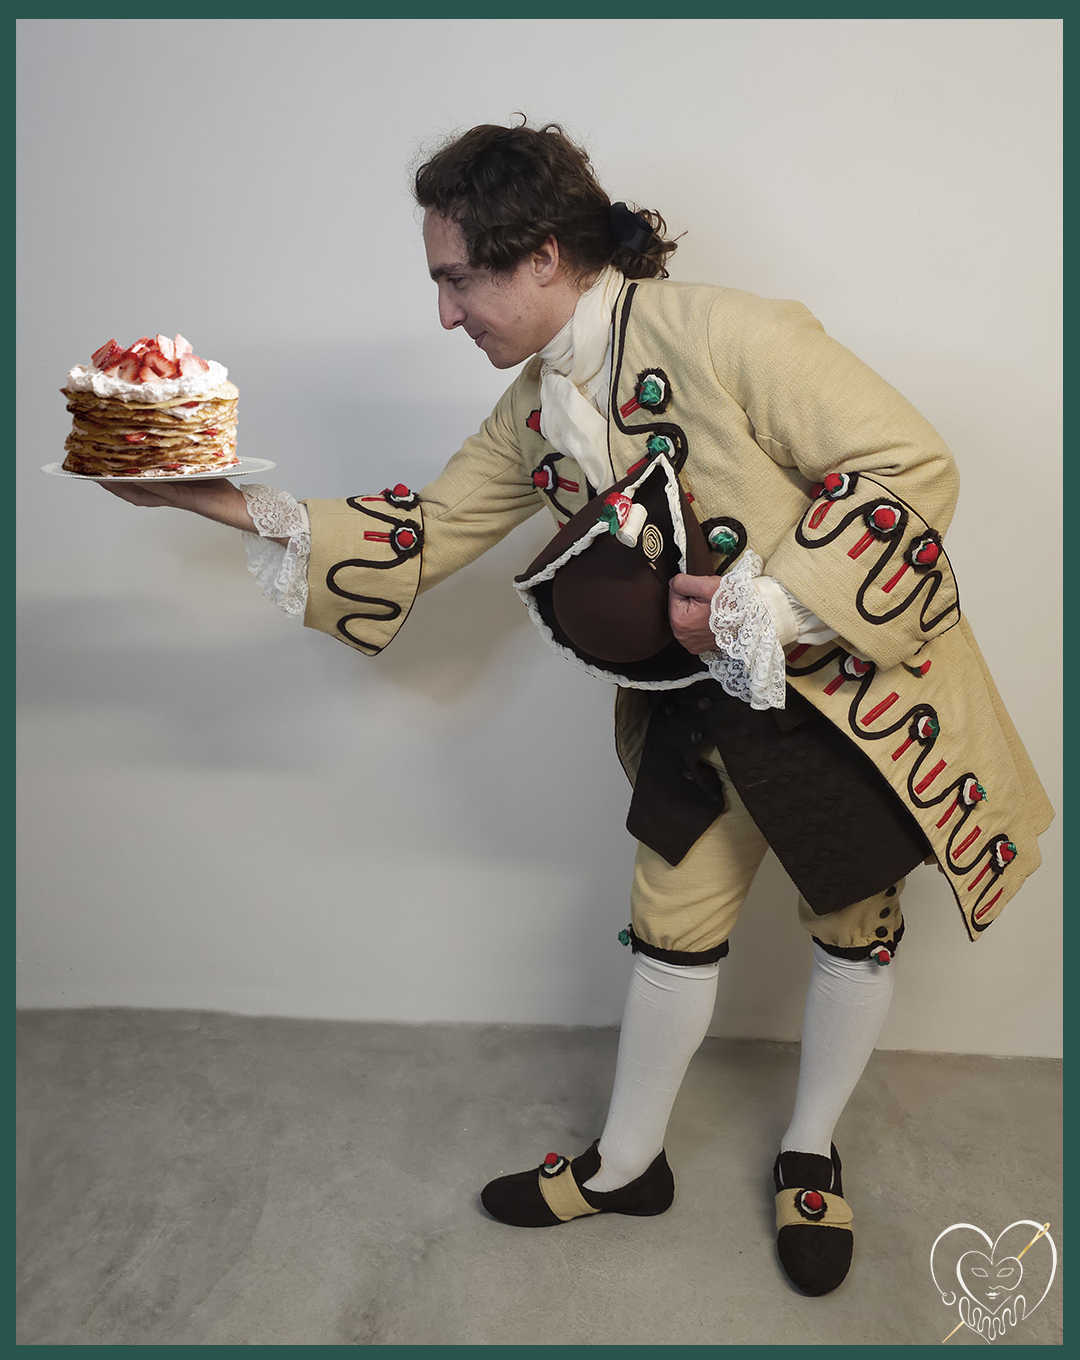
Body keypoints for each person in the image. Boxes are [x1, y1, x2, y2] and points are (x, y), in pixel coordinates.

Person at [101, 120, 1053, 1297]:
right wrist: (203, 498)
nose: (446, 313)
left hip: (839, 703)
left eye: (459, 279)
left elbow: (909, 462)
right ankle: (627, 1164)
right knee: (668, 926)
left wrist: (768, 601)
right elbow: (425, 532)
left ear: (543, 255)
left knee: (855, 924)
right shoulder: (532, 409)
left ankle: (811, 1151)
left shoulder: (731, 332)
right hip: (692, 722)